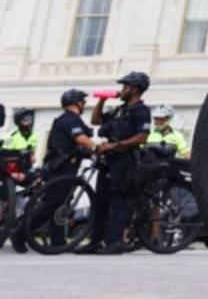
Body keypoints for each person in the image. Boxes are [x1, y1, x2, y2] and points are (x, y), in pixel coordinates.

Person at [86, 71, 152, 254]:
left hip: (124, 161)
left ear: (135, 89)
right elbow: (95, 120)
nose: (122, 90)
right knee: (100, 201)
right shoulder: (119, 109)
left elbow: (142, 137)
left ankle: (114, 242)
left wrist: (115, 145)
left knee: (118, 202)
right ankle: (95, 241)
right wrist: (102, 100)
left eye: (125, 87)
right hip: (108, 160)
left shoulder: (141, 111)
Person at [22, 90, 95, 249]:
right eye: (83, 102)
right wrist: (96, 148)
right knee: (53, 203)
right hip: (60, 168)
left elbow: (75, 145)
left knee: (63, 204)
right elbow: (80, 139)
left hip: (63, 167)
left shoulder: (68, 120)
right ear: (77, 103)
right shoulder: (70, 119)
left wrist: (90, 154)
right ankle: (20, 233)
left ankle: (58, 241)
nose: (84, 105)